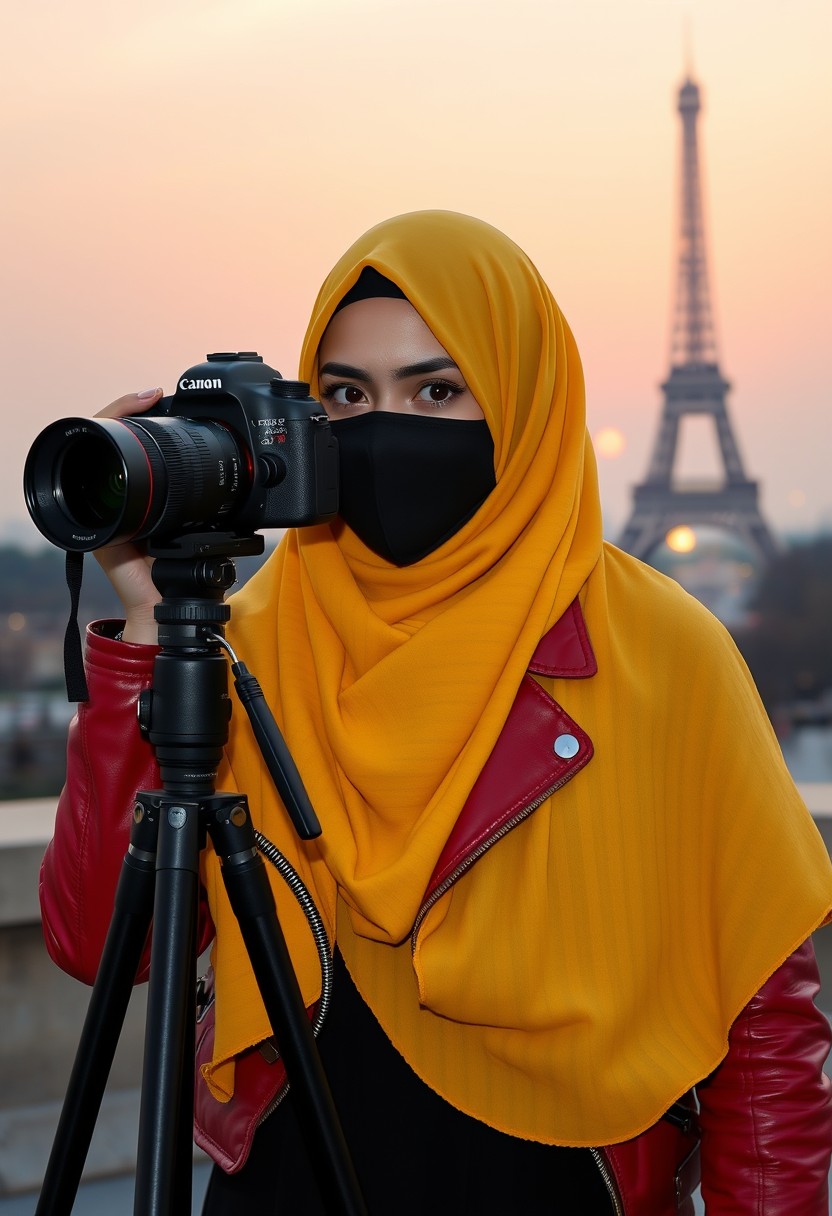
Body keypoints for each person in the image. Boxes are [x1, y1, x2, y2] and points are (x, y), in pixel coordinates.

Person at [40, 210, 832, 1214]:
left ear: (520, 398)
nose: (386, 428)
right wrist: (150, 631)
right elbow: (103, 939)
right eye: (345, 394)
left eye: (436, 388)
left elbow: (766, 1032)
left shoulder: (664, 655)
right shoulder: (250, 642)